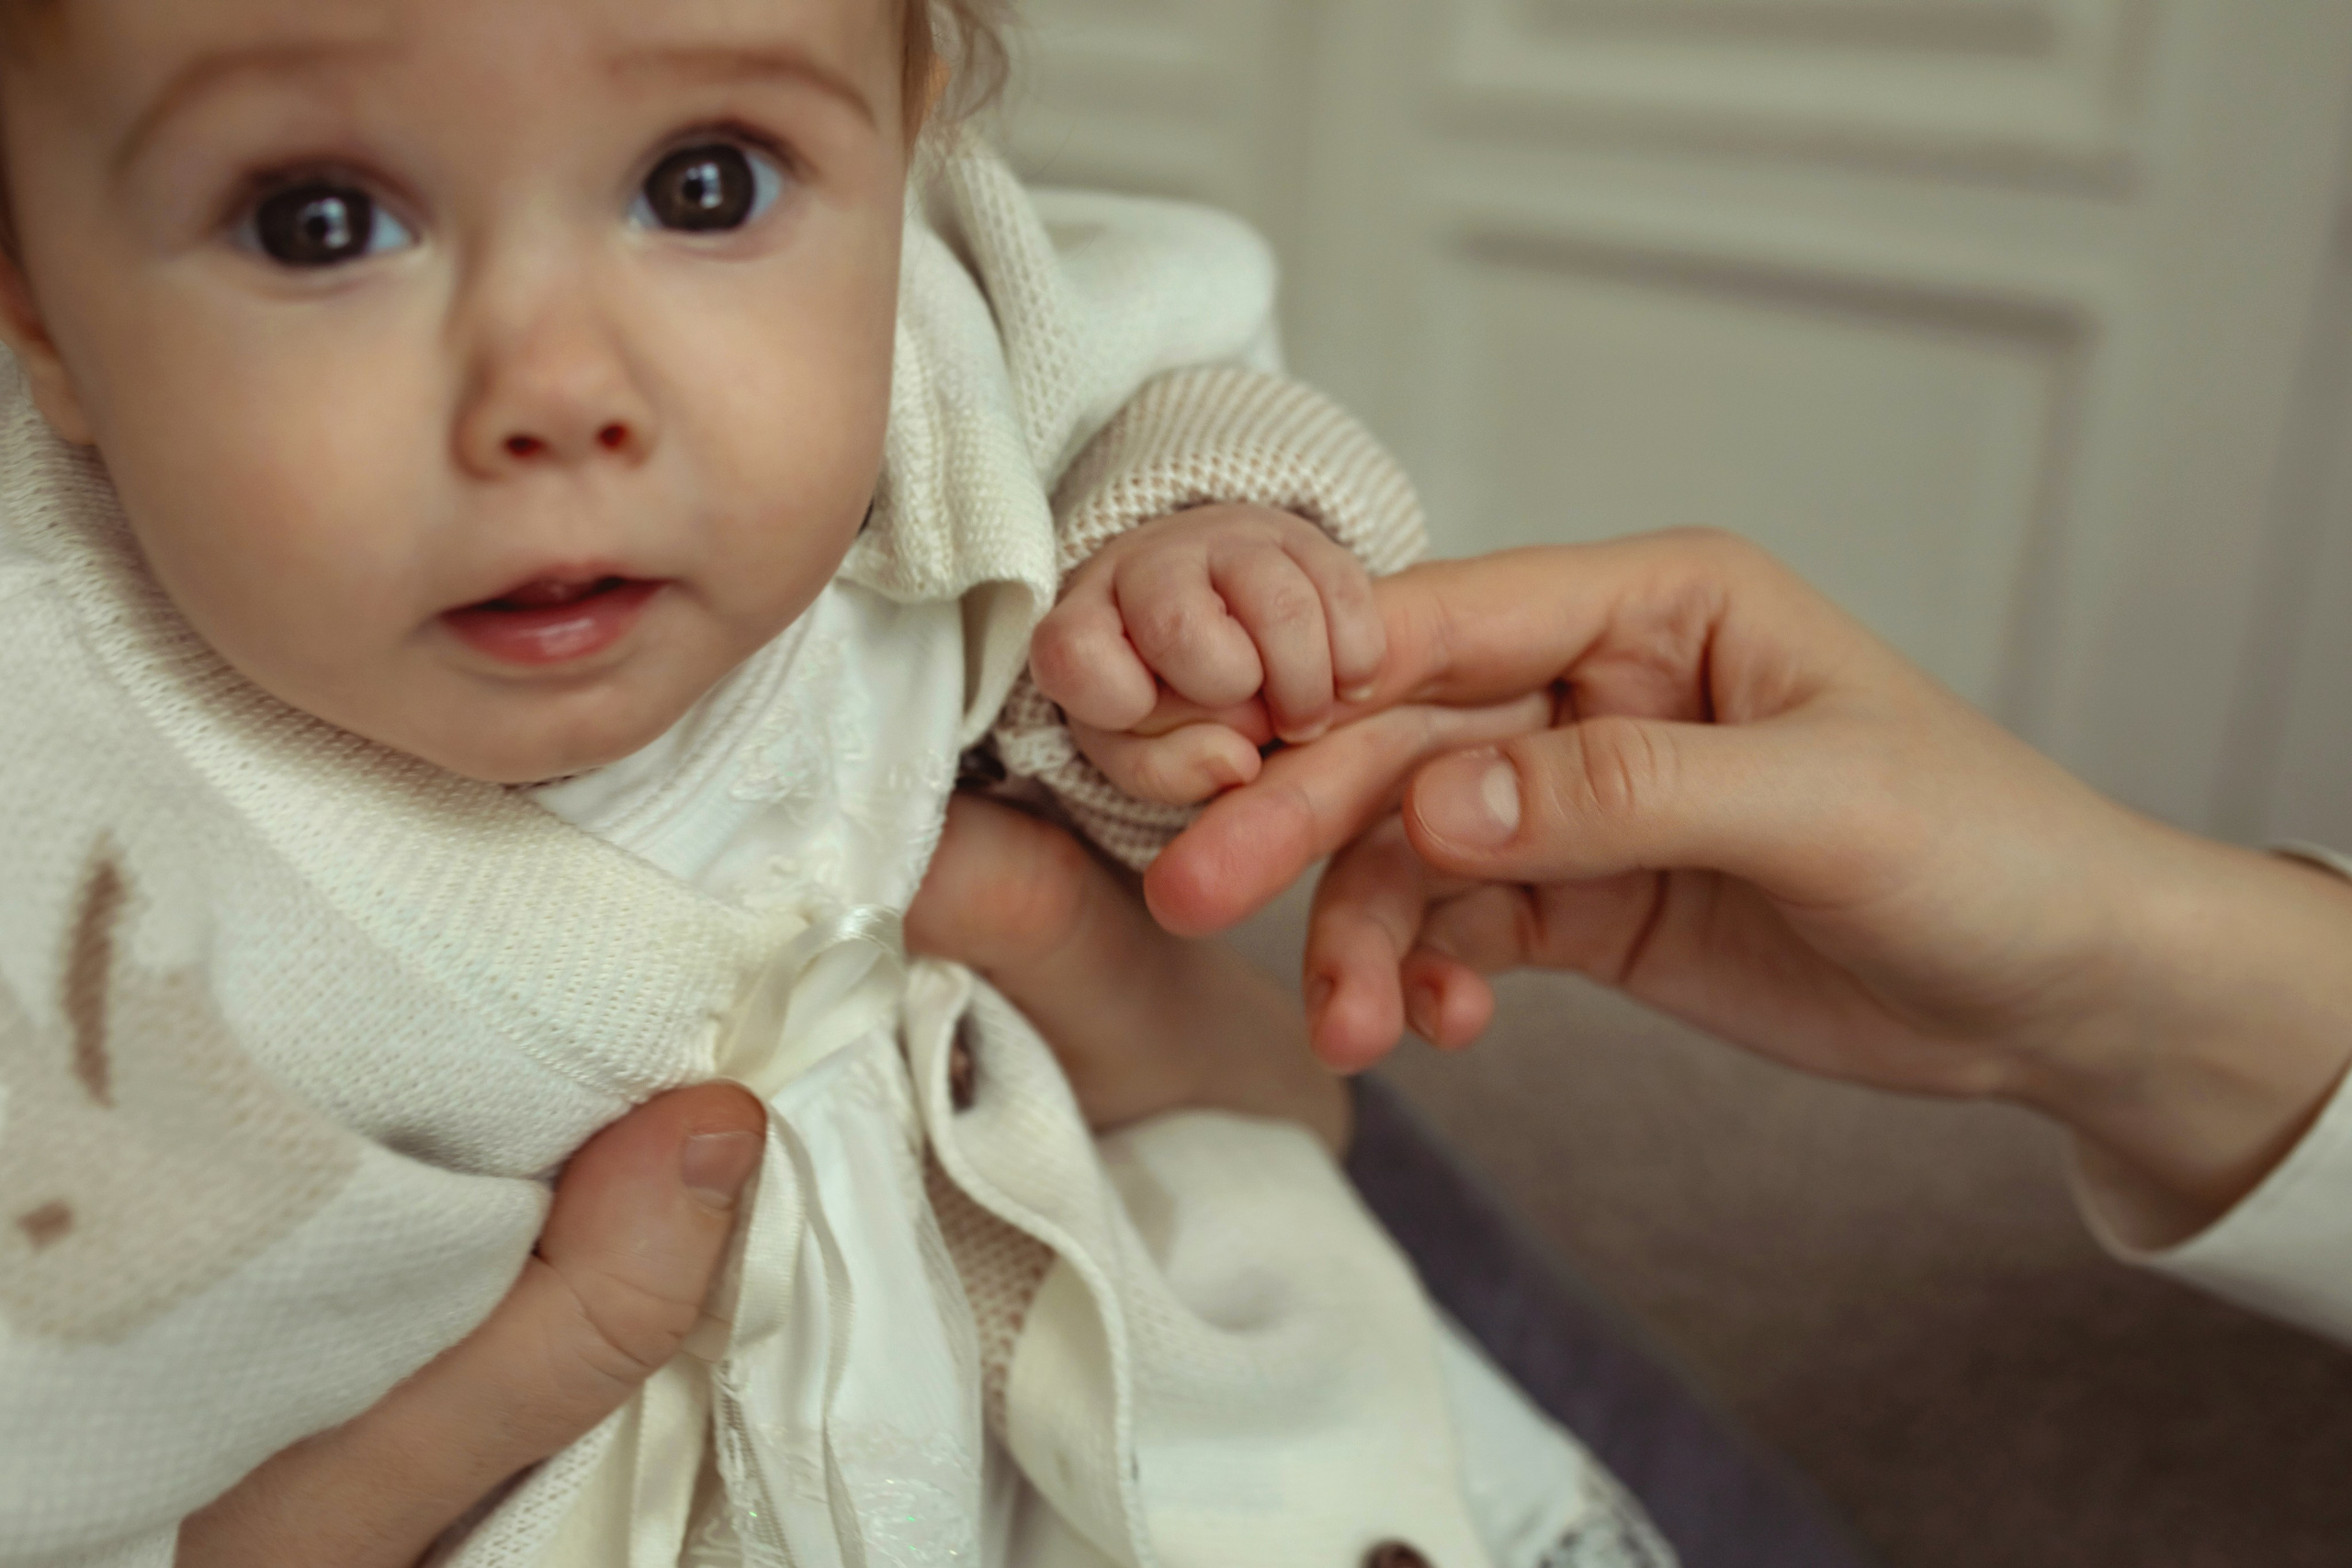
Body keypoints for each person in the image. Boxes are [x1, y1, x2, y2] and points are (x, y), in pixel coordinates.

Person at [0, 3, 1651, 1565]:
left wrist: (1185, 580)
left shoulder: (936, 349)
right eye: (317, 224)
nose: (556, 392)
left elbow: (1162, 379)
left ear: (907, 164)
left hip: (1119, 1383)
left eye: (699, 184)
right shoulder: (72, 828)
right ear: (42, 315)